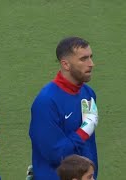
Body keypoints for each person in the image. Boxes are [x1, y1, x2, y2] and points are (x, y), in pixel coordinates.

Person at [28, 36, 99, 180]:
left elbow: (89, 146)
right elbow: (56, 155)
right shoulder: (46, 102)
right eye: (83, 59)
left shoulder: (88, 93)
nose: (91, 64)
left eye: (91, 57)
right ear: (65, 64)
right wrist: (84, 131)